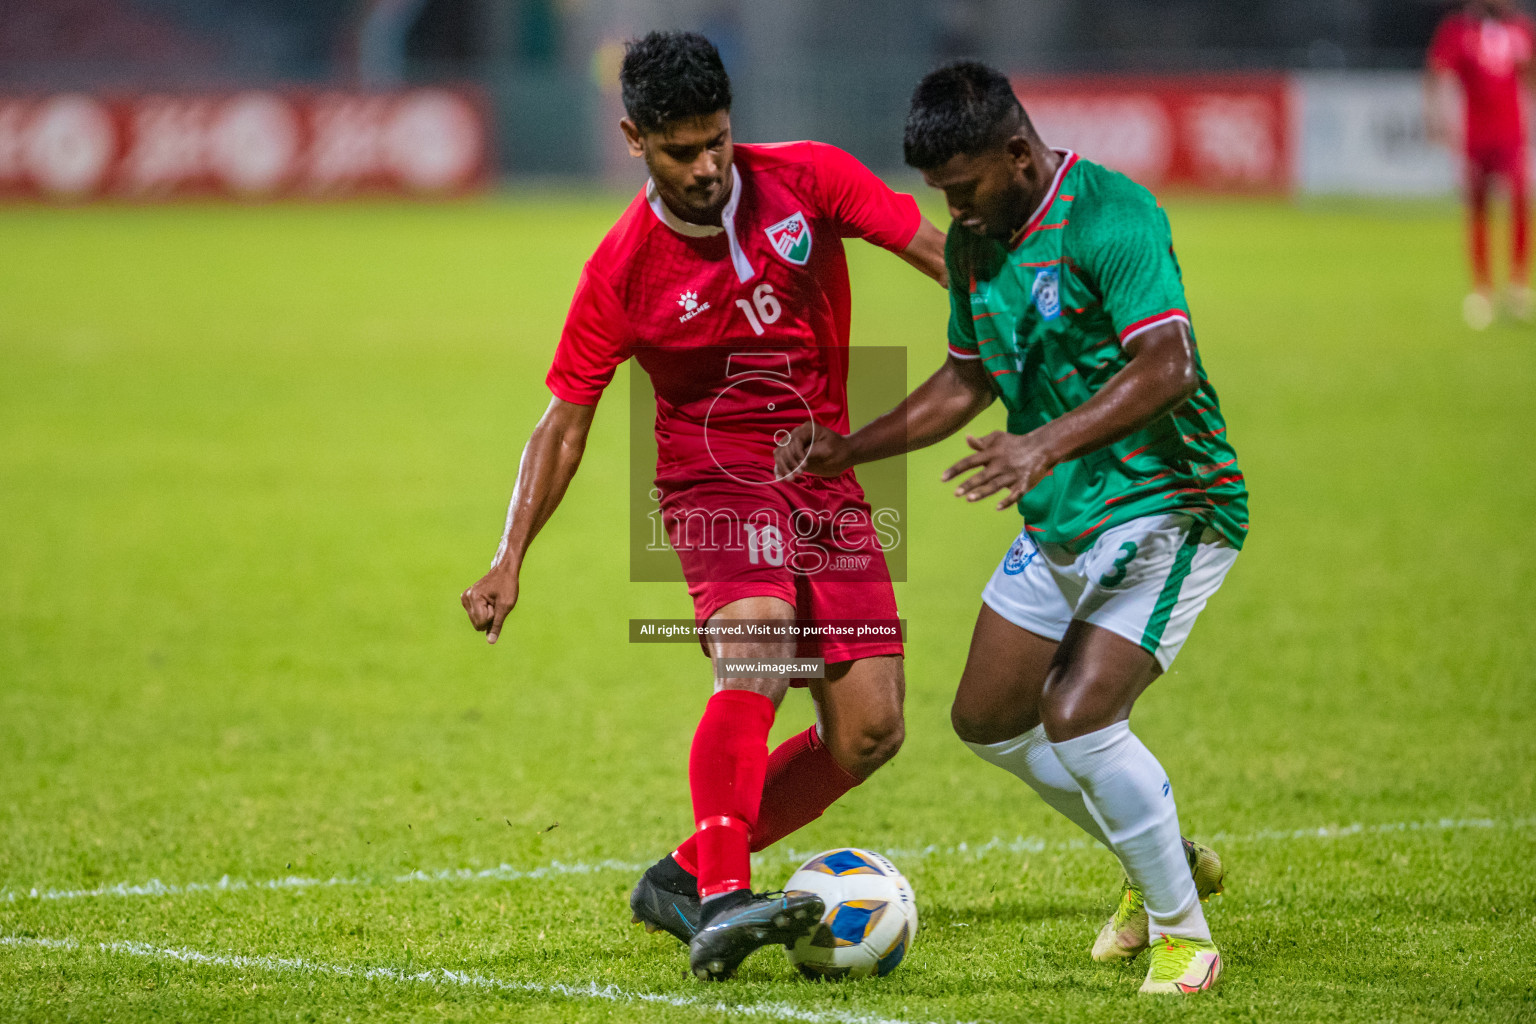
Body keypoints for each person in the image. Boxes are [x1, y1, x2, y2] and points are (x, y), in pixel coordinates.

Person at [459, 31, 948, 981]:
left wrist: (1014, 316)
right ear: (635, 138)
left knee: (872, 732)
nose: (707, 166)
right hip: (711, 477)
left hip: (827, 474)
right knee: (757, 642)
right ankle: (724, 896)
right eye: (681, 149)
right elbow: (564, 422)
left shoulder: (806, 180)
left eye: (718, 140)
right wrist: (508, 555)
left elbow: (932, 249)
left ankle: (679, 877)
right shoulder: (623, 269)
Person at [776, 61, 1248, 995]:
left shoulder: (1112, 217)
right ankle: (1168, 864)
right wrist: (850, 447)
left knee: (1077, 716)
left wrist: (1038, 445)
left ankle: (1185, 937)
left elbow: (1169, 367)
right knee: (988, 720)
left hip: (1170, 503)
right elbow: (965, 379)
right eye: (938, 196)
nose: (951, 212)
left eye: (962, 188)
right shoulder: (974, 245)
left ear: (1018, 153)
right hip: (1067, 514)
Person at [1425, 0, 1536, 328]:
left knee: (1520, 202)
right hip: (1476, 137)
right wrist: (1439, 120)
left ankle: (1517, 285)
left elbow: (1530, 75)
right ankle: (1482, 290)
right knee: (1477, 208)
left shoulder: (1521, 29)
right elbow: (1438, 74)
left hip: (1512, 134)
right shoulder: (1459, 30)